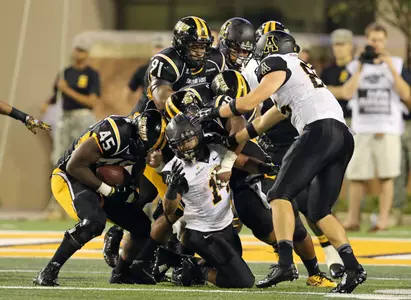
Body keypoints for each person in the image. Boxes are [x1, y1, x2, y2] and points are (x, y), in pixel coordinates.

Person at [196, 30, 366, 293]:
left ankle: (285, 262)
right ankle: (353, 268)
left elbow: (251, 101)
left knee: (278, 195)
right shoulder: (300, 74)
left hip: (319, 130)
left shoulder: (276, 62)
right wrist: (234, 141)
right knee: (319, 210)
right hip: (343, 137)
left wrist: (213, 111)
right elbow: (266, 120)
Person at [103, 16, 226, 266]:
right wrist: (188, 106)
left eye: (203, 45)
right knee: (144, 193)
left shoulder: (216, 60)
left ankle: (165, 251)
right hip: (155, 130)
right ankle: (123, 236)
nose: (200, 51)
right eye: (194, 46)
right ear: (181, 44)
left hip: (189, 133)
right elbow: (162, 96)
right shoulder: (167, 60)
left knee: (183, 193)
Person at [243, 22, 345, 279]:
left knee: (300, 201)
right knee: (275, 202)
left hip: (300, 137)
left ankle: (308, 259)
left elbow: (253, 104)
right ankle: (306, 261)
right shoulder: (269, 67)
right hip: (276, 141)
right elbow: (259, 114)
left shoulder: (280, 65)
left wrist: (223, 112)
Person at [33, 109, 167, 286]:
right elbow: (74, 166)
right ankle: (49, 271)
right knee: (93, 221)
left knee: (141, 225)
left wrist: (131, 190)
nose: (151, 151)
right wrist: (107, 190)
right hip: (70, 176)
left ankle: (121, 272)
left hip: (96, 179)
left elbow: (143, 190)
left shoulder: (143, 144)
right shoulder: (116, 132)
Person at [162, 113, 255, 288]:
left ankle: (183, 262)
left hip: (225, 226)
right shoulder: (175, 168)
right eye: (180, 144)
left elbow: (241, 160)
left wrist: (265, 168)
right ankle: (194, 269)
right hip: (203, 233)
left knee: (231, 268)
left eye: (189, 140)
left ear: (199, 135)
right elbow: (169, 209)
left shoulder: (214, 147)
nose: (186, 146)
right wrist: (173, 188)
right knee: (243, 281)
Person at [341, 23, 411, 231]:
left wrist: (389, 66)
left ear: (385, 41)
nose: (376, 44)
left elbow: (406, 94)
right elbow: (346, 93)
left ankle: (382, 220)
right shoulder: (356, 65)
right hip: (362, 127)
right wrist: (361, 66)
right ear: (367, 40)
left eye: (380, 40)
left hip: (388, 127)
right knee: (356, 175)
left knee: (387, 175)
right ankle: (353, 219)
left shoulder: (397, 64)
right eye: (373, 40)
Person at [321, 29, 354, 123]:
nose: (339, 48)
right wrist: (343, 91)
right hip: (332, 118)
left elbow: (350, 93)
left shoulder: (357, 68)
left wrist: (333, 90)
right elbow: (321, 93)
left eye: (342, 44)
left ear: (350, 46)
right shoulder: (327, 70)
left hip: (352, 118)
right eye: (336, 44)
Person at [127, 36, 167, 105]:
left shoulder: (174, 69)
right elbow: (130, 89)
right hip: (147, 109)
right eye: (157, 47)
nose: (158, 50)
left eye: (161, 47)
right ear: (153, 49)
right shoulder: (143, 70)